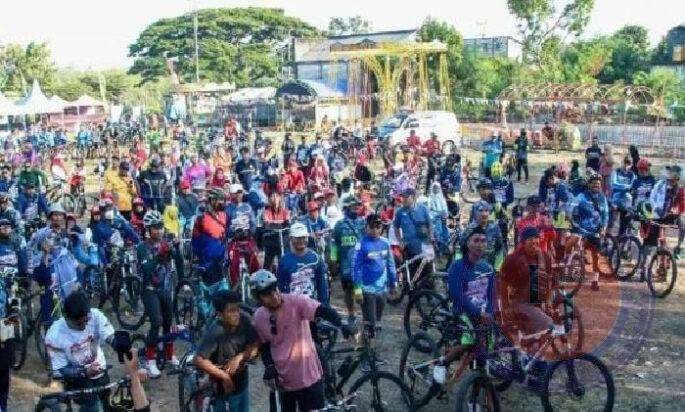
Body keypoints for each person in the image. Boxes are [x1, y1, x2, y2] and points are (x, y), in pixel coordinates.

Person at [250, 270, 351, 412]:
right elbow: (265, 344)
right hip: (283, 382)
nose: (274, 296)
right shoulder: (259, 317)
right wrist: (269, 367)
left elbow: (322, 310)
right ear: (259, 298)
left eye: (275, 289)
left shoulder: (296, 302)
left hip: (308, 377)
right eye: (267, 294)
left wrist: (342, 323)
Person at [44, 290, 116, 412]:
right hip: (77, 378)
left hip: (100, 370)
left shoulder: (95, 315)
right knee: (93, 406)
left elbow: (111, 337)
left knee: (106, 402)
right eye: (78, 324)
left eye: (86, 321)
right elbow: (60, 369)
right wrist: (84, 372)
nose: (84, 326)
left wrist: (119, 344)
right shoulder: (54, 335)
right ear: (66, 317)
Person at [137, 210, 184, 377]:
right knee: (156, 322)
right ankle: (150, 361)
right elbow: (147, 269)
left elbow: (179, 262)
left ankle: (169, 355)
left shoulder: (166, 242)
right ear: (148, 230)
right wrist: (159, 255)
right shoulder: (142, 248)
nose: (159, 231)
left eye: (160, 227)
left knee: (168, 323)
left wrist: (176, 249)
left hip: (166, 289)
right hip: (150, 290)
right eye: (155, 228)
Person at [194, 290, 259, 412]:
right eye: (231, 311)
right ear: (220, 314)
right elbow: (199, 360)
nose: (236, 314)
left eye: (237, 309)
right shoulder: (216, 331)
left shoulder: (244, 320)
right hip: (223, 389)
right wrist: (224, 376)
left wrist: (240, 356)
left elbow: (255, 344)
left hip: (242, 383)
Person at [439, 227, 495, 366]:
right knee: (469, 342)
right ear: (467, 243)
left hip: (483, 313)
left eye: (483, 241)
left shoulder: (488, 268)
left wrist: (489, 311)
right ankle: (441, 364)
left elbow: (491, 294)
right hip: (463, 312)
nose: (480, 244)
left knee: (490, 344)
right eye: (476, 240)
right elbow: (457, 295)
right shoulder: (457, 267)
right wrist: (478, 313)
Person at [351, 214, 397, 333]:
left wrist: (393, 284)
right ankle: (367, 340)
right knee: (370, 322)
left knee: (377, 320)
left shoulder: (386, 243)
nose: (375, 230)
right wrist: (357, 289)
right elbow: (356, 267)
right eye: (372, 226)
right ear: (366, 227)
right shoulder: (361, 244)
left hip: (382, 288)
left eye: (378, 226)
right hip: (367, 288)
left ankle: (368, 337)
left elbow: (391, 265)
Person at [331, 195, 365, 324]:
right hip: (346, 264)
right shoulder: (339, 225)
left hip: (362, 264)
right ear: (346, 208)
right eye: (353, 206)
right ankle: (351, 314)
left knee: (363, 291)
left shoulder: (363, 223)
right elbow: (334, 244)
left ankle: (367, 316)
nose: (356, 208)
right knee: (349, 291)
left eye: (357, 206)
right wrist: (333, 261)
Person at [276, 222, 329, 305]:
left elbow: (322, 287)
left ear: (307, 237)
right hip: (292, 307)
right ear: (291, 238)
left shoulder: (316, 259)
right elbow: (281, 288)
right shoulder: (284, 261)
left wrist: (324, 307)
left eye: (303, 237)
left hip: (312, 306)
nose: (301, 240)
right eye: (297, 238)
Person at [571, 175, 609, 290]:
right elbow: (573, 209)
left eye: (598, 184)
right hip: (582, 229)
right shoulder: (582, 196)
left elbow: (605, 214)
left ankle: (595, 280)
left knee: (596, 255)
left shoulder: (602, 198)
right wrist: (575, 223)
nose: (596, 185)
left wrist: (604, 228)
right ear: (589, 184)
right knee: (579, 250)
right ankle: (575, 269)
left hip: (596, 230)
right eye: (594, 183)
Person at [192, 188, 229, 276]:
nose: (222, 202)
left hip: (220, 252)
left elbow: (226, 232)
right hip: (206, 253)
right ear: (212, 200)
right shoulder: (202, 216)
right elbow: (196, 239)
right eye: (220, 200)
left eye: (223, 200)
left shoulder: (224, 215)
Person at [464, 201, 505, 271]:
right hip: (472, 269)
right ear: (475, 213)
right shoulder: (469, 229)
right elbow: (462, 250)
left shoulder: (495, 228)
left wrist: (497, 268)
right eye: (480, 211)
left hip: (490, 268)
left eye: (486, 210)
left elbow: (500, 248)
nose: (484, 214)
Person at [262, 192, 291, 271]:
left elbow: (287, 223)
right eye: (272, 196)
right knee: (267, 263)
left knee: (286, 258)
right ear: (269, 200)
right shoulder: (266, 212)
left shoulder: (285, 211)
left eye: (276, 196)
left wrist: (275, 224)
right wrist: (280, 224)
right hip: (271, 240)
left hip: (283, 240)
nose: (274, 198)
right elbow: (266, 224)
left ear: (280, 199)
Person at [609, 156, 636, 235]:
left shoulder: (632, 174)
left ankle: (622, 237)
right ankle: (608, 237)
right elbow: (613, 184)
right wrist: (626, 187)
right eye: (626, 163)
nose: (627, 166)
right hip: (616, 200)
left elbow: (632, 186)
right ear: (622, 162)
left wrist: (624, 187)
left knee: (624, 223)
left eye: (629, 164)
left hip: (626, 201)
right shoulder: (616, 172)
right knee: (612, 221)